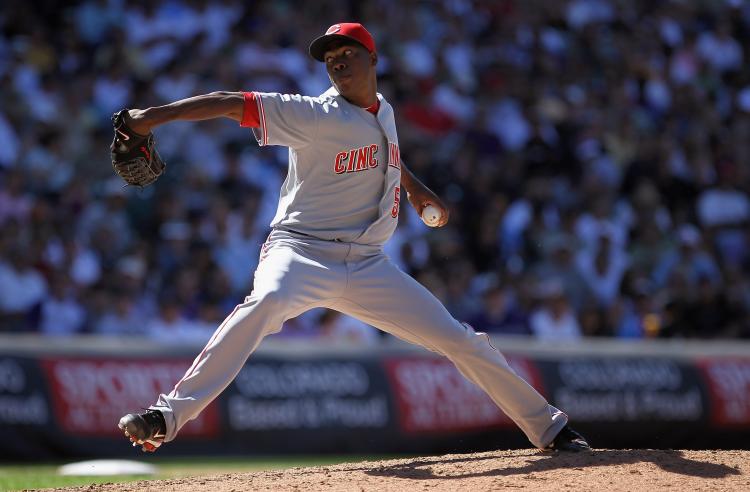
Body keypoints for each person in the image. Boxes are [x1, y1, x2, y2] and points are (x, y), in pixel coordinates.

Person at [118, 22, 590, 454]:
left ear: (372, 58)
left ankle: (549, 428)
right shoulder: (314, 114)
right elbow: (228, 102)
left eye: (347, 52)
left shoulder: (383, 111)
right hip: (300, 251)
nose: (337, 61)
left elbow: (387, 157)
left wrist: (418, 190)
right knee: (263, 305)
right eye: (329, 58)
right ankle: (167, 415)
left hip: (366, 264)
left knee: (462, 341)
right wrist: (146, 119)